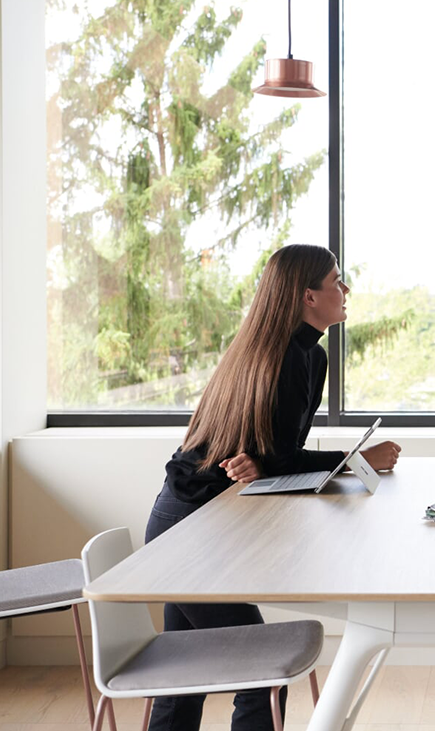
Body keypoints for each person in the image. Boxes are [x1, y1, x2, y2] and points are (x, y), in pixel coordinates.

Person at [142, 243, 401, 731]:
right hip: (189, 529)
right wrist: (355, 460)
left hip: (198, 519)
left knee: (187, 676)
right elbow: (280, 459)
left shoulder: (307, 356)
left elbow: (274, 455)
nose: (345, 290)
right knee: (260, 671)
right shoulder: (284, 357)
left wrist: (267, 464)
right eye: (336, 281)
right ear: (308, 296)